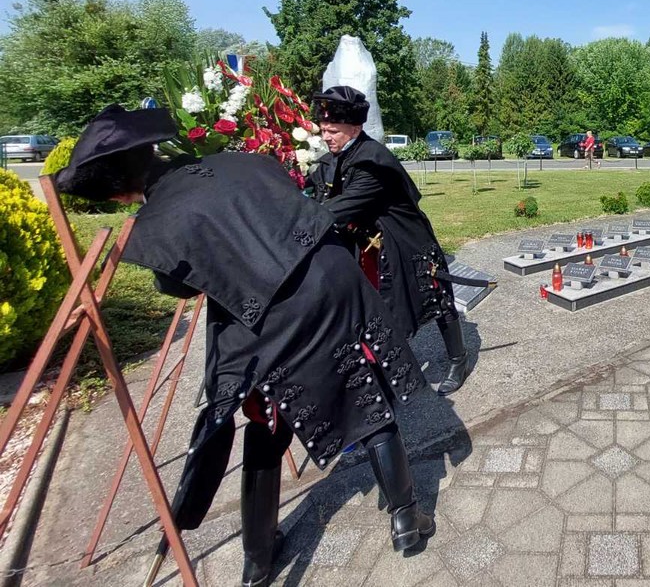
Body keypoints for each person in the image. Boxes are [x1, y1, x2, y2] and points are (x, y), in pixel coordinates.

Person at [55, 105, 434, 586]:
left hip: (269, 319)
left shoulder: (156, 221)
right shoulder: (241, 159)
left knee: (266, 424)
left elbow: (182, 288)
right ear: (151, 149)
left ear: (118, 190)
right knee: (364, 389)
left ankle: (257, 561)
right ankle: (406, 518)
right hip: (330, 281)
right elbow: (295, 208)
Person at [307, 86, 473, 395]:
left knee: (438, 302)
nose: (325, 136)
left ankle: (458, 359)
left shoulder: (372, 161)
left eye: (332, 131)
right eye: (323, 130)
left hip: (408, 243)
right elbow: (319, 189)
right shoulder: (340, 154)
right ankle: (387, 368)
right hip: (371, 247)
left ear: (354, 128)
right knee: (379, 307)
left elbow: (337, 209)